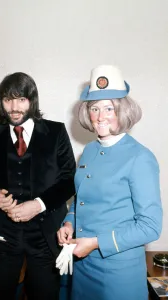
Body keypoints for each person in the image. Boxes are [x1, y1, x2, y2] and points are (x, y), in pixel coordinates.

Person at [57, 65, 163, 300]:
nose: (101, 116)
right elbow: (81, 199)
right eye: (95, 108)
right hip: (83, 268)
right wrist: (68, 223)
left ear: (123, 111)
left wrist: (95, 243)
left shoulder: (140, 157)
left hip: (118, 275)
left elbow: (150, 226)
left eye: (109, 108)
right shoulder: (89, 151)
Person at [0, 72, 76, 300]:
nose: (14, 107)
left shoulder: (56, 132)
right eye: (8, 99)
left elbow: (69, 179)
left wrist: (39, 204)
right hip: (4, 232)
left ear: (32, 101)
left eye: (21, 99)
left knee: (44, 294)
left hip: (46, 232)